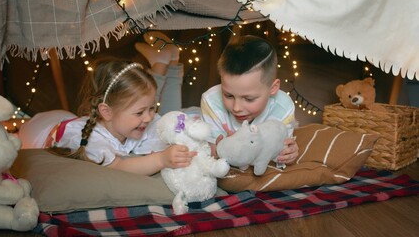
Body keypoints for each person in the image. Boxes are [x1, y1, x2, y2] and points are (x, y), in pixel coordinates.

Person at [19, 32, 194, 176]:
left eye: (152, 108)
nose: (149, 117)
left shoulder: (134, 121)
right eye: (140, 113)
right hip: (36, 129)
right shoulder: (90, 141)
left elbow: (172, 123)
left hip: (71, 118)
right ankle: (160, 63)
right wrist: (161, 160)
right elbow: (119, 167)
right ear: (107, 112)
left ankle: (161, 63)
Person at [200, 35, 299, 166]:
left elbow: (278, 149)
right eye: (228, 95)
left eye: (249, 98)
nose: (236, 108)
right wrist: (216, 150)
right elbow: (209, 152)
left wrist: (289, 153)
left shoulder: (283, 107)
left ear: (273, 88)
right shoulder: (211, 101)